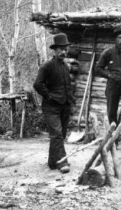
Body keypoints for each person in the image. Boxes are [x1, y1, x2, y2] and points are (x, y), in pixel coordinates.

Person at [33, 33, 78, 173]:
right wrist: (49, 96)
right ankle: (61, 162)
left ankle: (52, 161)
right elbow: (37, 84)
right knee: (57, 134)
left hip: (64, 106)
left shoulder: (65, 67)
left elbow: (68, 87)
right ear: (55, 49)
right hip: (51, 107)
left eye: (65, 49)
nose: (63, 52)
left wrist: (71, 103)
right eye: (60, 49)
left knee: (61, 135)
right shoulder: (47, 66)